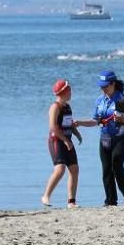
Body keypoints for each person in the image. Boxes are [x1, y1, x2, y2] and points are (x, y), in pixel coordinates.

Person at [41, 79, 92, 207]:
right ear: (63, 92)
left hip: (67, 141)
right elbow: (53, 127)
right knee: (60, 170)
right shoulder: (55, 107)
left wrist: (76, 133)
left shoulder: (67, 106)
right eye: (69, 90)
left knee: (74, 169)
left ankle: (71, 202)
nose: (71, 92)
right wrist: (65, 140)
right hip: (57, 141)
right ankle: (46, 196)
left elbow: (68, 123)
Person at [93, 70, 124, 206]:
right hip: (105, 138)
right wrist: (80, 123)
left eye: (106, 86)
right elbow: (95, 120)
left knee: (116, 164)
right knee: (106, 168)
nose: (103, 89)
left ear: (113, 84)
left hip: (121, 137)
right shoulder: (99, 101)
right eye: (101, 87)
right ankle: (110, 200)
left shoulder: (122, 99)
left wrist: (123, 120)